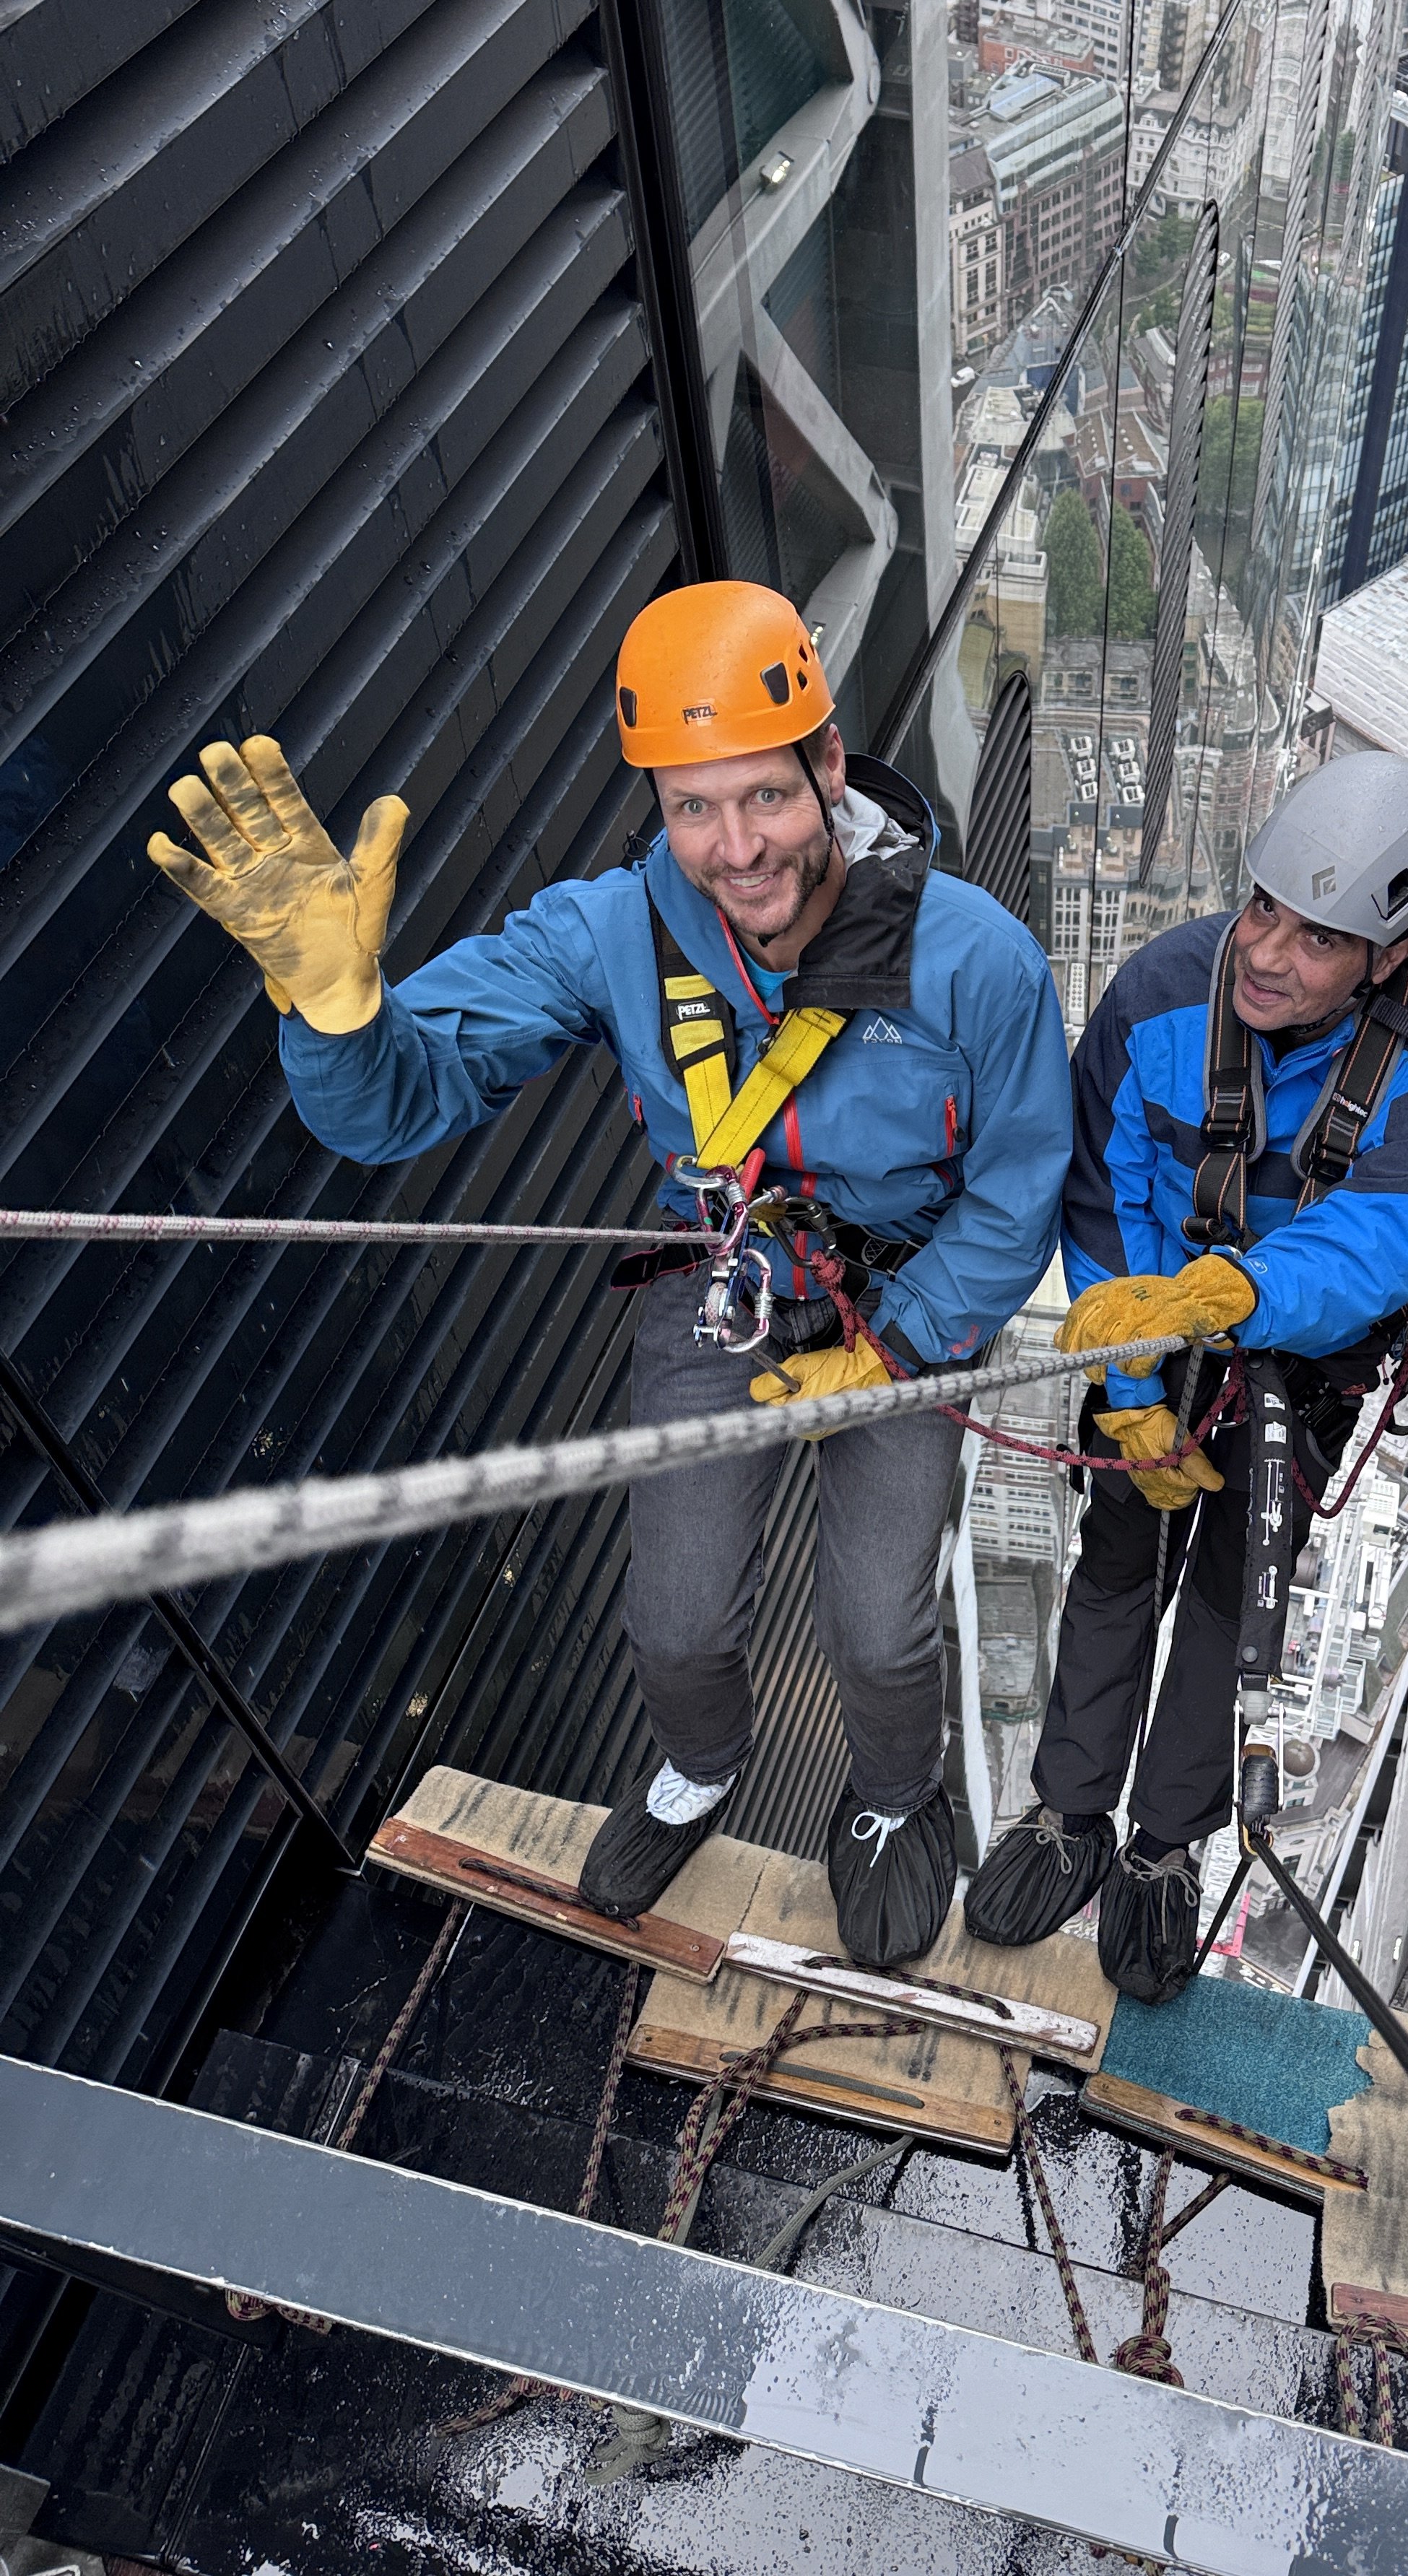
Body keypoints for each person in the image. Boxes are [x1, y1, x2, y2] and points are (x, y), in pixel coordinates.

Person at [147, 583, 1072, 1970]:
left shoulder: (974, 959)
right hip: (728, 1285)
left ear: (829, 765)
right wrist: (337, 1012)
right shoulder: (612, 935)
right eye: (692, 807)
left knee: (880, 1629)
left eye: (762, 796)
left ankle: (893, 1799)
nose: (734, 846)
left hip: (907, 1307)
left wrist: (910, 1336)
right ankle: (699, 1765)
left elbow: (1018, 1185)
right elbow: (399, 1104)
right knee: (672, 1613)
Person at [962, 750, 1408, 2003]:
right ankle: (1068, 1815)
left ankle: (1163, 1850)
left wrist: (1248, 1297)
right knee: (1114, 1563)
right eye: (1262, 907)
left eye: (1317, 939)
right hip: (1153, 1330)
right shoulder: (1163, 988)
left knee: (1229, 1600)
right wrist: (1139, 1380)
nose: (1264, 953)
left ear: (1388, 952)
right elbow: (1110, 1195)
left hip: (1299, 1364)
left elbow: (1387, 1233)